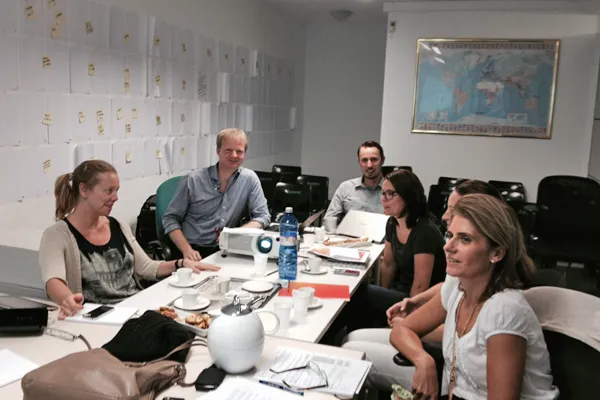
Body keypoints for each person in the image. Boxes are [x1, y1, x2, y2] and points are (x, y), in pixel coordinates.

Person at [391, 194, 557, 400]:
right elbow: (402, 329)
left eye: (465, 239)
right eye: (449, 235)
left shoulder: (503, 309)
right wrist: (423, 361)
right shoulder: (458, 289)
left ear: (496, 253)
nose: (448, 246)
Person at [341, 180, 502, 392]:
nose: (445, 217)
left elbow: (458, 338)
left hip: (449, 367)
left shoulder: (503, 307)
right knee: (351, 339)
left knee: (351, 353)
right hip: (447, 362)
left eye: (464, 238)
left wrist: (411, 327)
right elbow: (443, 290)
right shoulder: (461, 279)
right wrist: (414, 307)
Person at [39, 160, 220, 319]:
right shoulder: (57, 235)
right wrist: (66, 299)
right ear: (84, 190)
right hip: (99, 317)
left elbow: (146, 268)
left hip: (134, 308)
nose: (115, 198)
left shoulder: (117, 225)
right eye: (109, 191)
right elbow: (53, 281)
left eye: (116, 191)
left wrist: (181, 263)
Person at [163, 128, 270, 261]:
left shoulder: (249, 179)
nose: (234, 155)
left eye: (239, 151)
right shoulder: (192, 180)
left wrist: (237, 233)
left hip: (226, 248)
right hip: (194, 250)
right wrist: (186, 249)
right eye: (228, 150)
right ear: (218, 151)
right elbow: (170, 218)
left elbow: (263, 216)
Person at [371, 170, 446, 314]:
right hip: (400, 290)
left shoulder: (424, 231)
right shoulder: (392, 222)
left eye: (390, 194)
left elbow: (420, 287)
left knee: (360, 294)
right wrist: (382, 296)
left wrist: (407, 316)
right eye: (383, 193)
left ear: (408, 196)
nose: (383, 199)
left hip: (421, 300)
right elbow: (388, 264)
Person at [324, 141, 386, 223]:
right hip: (349, 231)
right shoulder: (345, 188)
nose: (369, 165)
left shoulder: (394, 191)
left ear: (382, 160)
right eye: (364, 160)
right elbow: (329, 220)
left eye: (374, 159)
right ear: (359, 162)